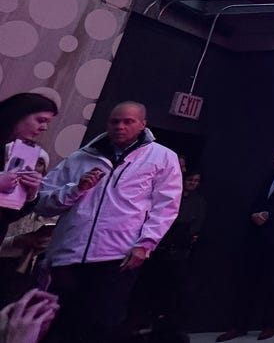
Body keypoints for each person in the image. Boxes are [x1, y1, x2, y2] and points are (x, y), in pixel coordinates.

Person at [36, 101, 182, 343]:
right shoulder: (82, 157)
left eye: (128, 121)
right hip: (68, 255)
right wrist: (76, 189)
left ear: (143, 124)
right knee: (57, 325)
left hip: (117, 257)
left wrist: (145, 244)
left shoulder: (162, 157)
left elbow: (165, 207)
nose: (120, 126)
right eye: (115, 121)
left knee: (102, 326)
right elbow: (41, 202)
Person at [217, 148, 274, 342]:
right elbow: (258, 200)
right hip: (257, 236)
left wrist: (270, 215)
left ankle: (269, 324)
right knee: (247, 280)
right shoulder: (268, 179)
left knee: (273, 281)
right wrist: (255, 214)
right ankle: (239, 324)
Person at [133, 170, 206, 342]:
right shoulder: (170, 197)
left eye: (196, 181)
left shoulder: (198, 202)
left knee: (174, 291)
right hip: (157, 249)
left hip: (179, 253)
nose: (193, 183)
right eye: (190, 179)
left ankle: (168, 325)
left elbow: (196, 226)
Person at [0, 93, 56, 297]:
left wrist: (30, 194)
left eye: (47, 123)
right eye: (40, 120)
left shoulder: (21, 153)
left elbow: (8, 214)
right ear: (18, 114)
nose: (44, 128)